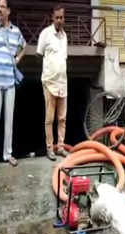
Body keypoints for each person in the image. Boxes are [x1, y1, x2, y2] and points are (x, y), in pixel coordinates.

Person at [0, 0, 26, 167]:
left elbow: (24, 46)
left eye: (2, 7)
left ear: (8, 11)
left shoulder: (16, 32)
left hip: (10, 83)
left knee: (9, 120)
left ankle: (7, 154)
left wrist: (16, 59)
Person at [37, 4, 69, 161]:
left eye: (61, 17)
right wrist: (48, 72)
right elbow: (39, 54)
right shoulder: (45, 34)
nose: (59, 20)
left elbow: (64, 59)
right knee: (49, 119)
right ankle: (49, 148)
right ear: (52, 18)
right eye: (57, 17)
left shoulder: (65, 37)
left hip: (63, 83)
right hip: (49, 82)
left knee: (62, 118)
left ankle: (60, 147)